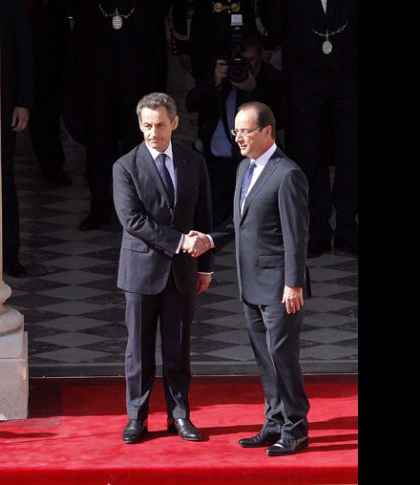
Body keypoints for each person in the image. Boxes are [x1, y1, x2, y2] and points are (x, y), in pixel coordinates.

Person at [189, 102, 311, 456]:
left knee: (282, 355)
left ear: (268, 131)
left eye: (246, 131)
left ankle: (296, 427)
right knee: (264, 356)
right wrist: (210, 240)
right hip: (250, 284)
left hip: (279, 287)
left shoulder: (287, 174)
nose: (239, 138)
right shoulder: (244, 169)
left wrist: (294, 283)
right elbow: (238, 223)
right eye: (236, 131)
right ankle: (274, 422)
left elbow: (296, 234)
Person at [112, 92, 213, 444]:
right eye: (146, 126)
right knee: (138, 352)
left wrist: (206, 266)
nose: (153, 132)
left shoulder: (192, 162)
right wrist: (179, 242)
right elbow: (133, 220)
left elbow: (204, 216)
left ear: (174, 123)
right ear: (139, 126)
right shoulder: (125, 166)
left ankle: (180, 416)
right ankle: (137, 418)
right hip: (140, 274)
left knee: (178, 350)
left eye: (159, 125)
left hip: (183, 273)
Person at [63, 0, 169, 231]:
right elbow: (77, 52)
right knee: (99, 153)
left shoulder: (147, 7)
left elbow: (158, 51)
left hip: (137, 96)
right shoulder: (91, 7)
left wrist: (159, 98)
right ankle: (99, 208)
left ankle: (136, 210)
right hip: (98, 94)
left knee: (137, 154)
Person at [263, 0, 358, 257]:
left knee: (351, 153)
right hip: (305, 75)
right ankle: (318, 229)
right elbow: (274, 20)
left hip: (349, 76)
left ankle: (348, 229)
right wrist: (307, 49)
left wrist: (343, 54)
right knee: (309, 154)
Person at [185, 30, 284, 228]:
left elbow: (279, 121)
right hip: (218, 163)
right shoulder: (220, 74)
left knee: (259, 223)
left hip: (254, 163)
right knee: (209, 223)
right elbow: (191, 104)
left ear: (261, 56)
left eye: (250, 61)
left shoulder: (271, 77)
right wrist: (214, 82)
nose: (243, 67)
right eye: (240, 61)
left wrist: (253, 91)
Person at [0, 0, 34, 277]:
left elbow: (25, 50)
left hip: (3, 102)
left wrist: (23, 101)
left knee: (3, 180)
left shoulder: (11, 4)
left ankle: (9, 254)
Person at [28, 0, 72, 186]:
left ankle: (52, 164)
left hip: (54, 41)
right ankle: (50, 165)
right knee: (42, 109)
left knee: (49, 109)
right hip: (37, 39)